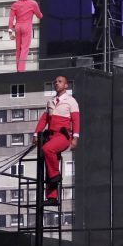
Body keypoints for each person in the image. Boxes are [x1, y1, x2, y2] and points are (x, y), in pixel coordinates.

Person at [32, 75, 80, 205]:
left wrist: (75, 138)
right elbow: (44, 120)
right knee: (50, 164)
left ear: (66, 85)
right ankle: (52, 197)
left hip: (63, 136)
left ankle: (55, 176)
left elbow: (76, 120)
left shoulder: (71, 101)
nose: (56, 83)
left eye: (60, 82)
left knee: (47, 149)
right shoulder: (51, 102)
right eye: (55, 82)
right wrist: (36, 134)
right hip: (52, 136)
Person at [7, 0, 43, 72]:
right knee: (24, 48)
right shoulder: (33, 3)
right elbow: (40, 16)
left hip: (18, 27)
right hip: (27, 26)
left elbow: (11, 19)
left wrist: (10, 32)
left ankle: (18, 70)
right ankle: (21, 70)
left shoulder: (15, 4)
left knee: (18, 49)